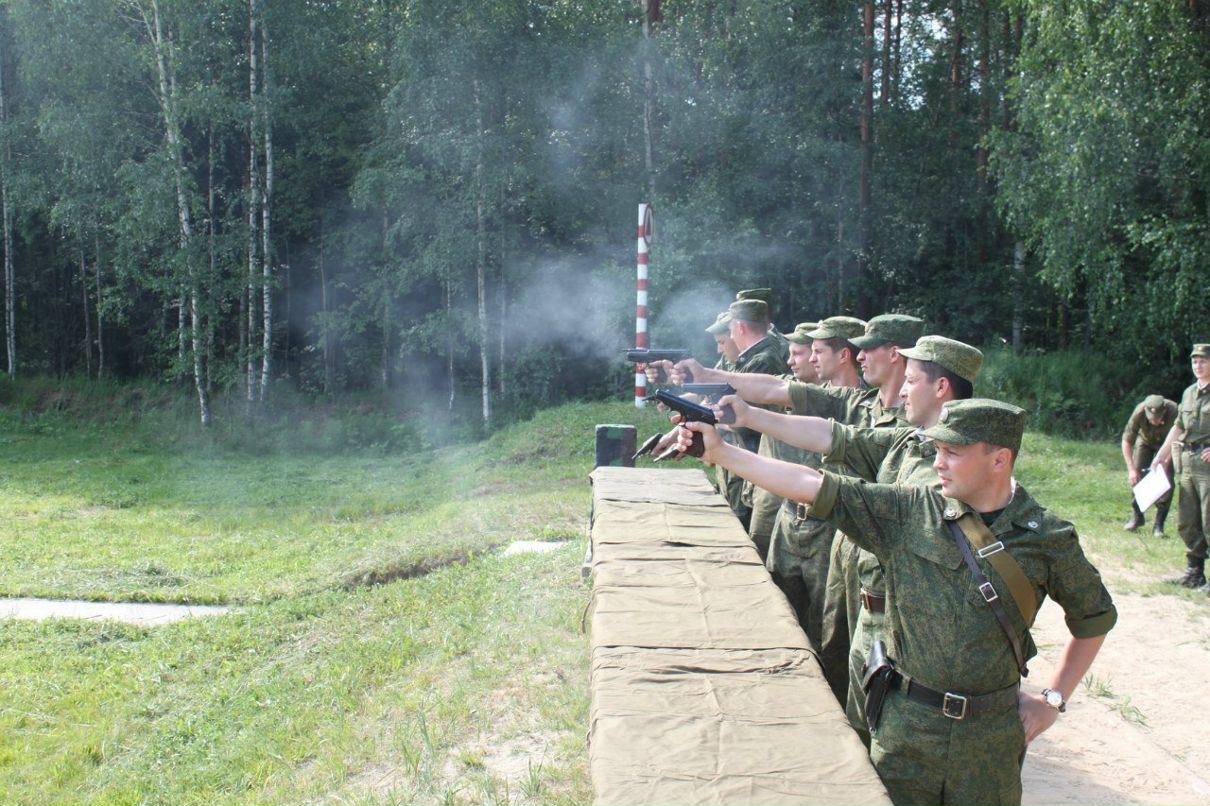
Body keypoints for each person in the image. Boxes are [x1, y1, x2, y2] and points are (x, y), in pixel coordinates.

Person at [676, 398, 1116, 806]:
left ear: (999, 459)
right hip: (905, 731)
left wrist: (1053, 699)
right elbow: (813, 484)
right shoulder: (909, 512)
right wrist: (723, 454)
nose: (937, 463)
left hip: (991, 740)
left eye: (953, 453)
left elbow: (1093, 617)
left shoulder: (1046, 537)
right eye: (936, 449)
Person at [720, 334, 983, 746]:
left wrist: (727, 448)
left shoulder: (963, 466)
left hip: (904, 623)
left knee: (879, 731)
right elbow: (833, 436)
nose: (903, 390)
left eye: (911, 380)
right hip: (867, 592)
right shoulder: (910, 442)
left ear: (942, 387)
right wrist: (749, 416)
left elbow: (823, 482)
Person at [763, 316, 866, 651]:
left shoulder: (867, 408)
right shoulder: (812, 397)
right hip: (791, 516)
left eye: (817, 350)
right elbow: (763, 389)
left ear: (844, 355)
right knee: (778, 615)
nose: (809, 357)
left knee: (826, 633)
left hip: (829, 529)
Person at [746, 320, 819, 561]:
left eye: (798, 354)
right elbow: (757, 388)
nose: (790, 362)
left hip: (812, 514)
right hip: (773, 503)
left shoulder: (844, 401)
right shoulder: (790, 389)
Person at [1153, 343, 1210, 590]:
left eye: (1203, 361)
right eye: (1195, 361)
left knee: (1209, 521)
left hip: (1208, 467)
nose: (1198, 365)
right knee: (1188, 520)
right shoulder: (1188, 393)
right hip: (1186, 463)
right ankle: (1194, 572)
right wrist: (1160, 455)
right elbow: (1178, 427)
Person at [1121, 394, 1177, 536]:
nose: (1155, 421)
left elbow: (1177, 438)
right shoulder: (1139, 412)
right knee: (1137, 476)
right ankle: (1137, 516)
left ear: (1164, 411)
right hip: (1145, 441)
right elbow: (1126, 441)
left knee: (1167, 480)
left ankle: (1159, 525)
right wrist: (1131, 470)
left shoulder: (1174, 411)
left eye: (1158, 418)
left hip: (1167, 445)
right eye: (1151, 418)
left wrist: (1166, 461)